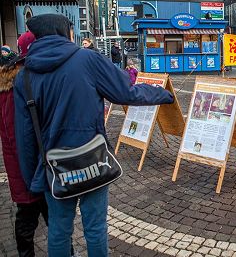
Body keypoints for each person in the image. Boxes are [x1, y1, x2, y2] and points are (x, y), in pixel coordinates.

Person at [14, 14, 175, 257]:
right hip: (93, 159)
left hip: (53, 168)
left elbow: (24, 136)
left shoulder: (24, 76)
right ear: (65, 33)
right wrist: (161, 94)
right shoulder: (87, 59)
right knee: (96, 228)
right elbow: (126, 92)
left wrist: (32, 181)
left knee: (58, 231)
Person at [0, 31, 49, 257]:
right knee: (45, 215)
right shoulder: (25, 80)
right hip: (31, 162)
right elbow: (18, 131)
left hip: (21, 163)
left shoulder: (9, 80)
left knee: (28, 215)